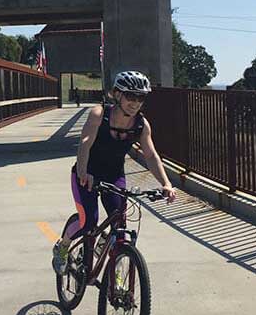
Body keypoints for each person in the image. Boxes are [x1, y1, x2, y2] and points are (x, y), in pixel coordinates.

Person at [52, 71, 176, 274]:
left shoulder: (141, 125)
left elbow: (151, 155)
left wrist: (166, 183)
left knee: (120, 228)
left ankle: (116, 278)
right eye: (131, 96)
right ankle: (63, 246)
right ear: (116, 94)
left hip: (114, 175)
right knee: (88, 222)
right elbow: (84, 145)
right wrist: (83, 172)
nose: (136, 103)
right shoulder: (99, 115)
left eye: (141, 97)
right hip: (88, 174)